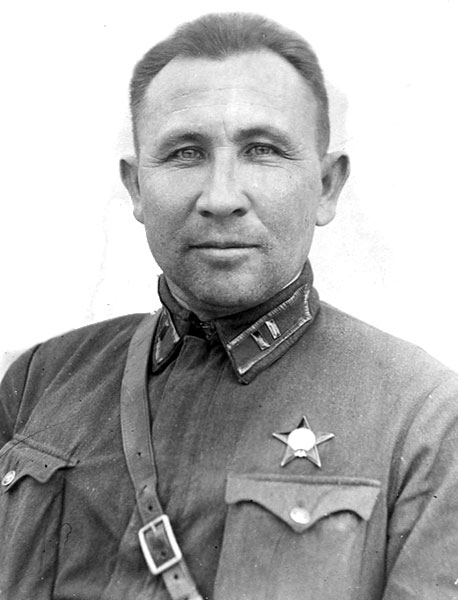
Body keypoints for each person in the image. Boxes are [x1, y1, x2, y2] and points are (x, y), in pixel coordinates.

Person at [1, 12, 457, 600]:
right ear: (136, 187)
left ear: (327, 187)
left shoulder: (426, 420)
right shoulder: (40, 381)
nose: (220, 198)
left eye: (262, 150)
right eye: (185, 153)